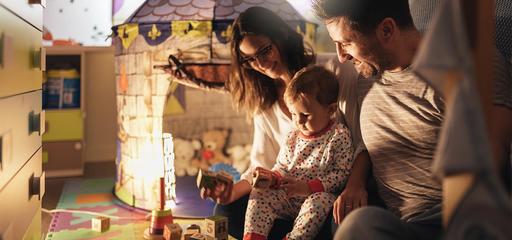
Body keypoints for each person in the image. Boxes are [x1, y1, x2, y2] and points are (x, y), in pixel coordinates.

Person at [164, 6, 371, 239]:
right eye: (249, 60)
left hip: (328, 195)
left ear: (281, 36)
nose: (260, 63)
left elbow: (362, 143)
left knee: (342, 222)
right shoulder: (265, 101)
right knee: (225, 210)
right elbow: (262, 164)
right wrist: (233, 191)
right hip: (286, 196)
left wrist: (355, 186)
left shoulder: (334, 71)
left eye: (264, 51)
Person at [313, 0, 445, 239]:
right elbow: (365, 142)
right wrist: (355, 183)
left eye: (346, 43)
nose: (341, 57)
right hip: (398, 222)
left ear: (386, 30)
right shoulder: (367, 74)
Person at [243, 66, 354, 240]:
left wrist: (309, 187)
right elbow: (282, 166)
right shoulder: (293, 136)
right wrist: (273, 178)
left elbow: (341, 174)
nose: (299, 121)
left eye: (305, 115)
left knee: (319, 202)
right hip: (288, 195)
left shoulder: (339, 136)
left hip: (316, 197)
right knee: (259, 194)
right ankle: (254, 237)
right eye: (294, 114)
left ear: (331, 110)